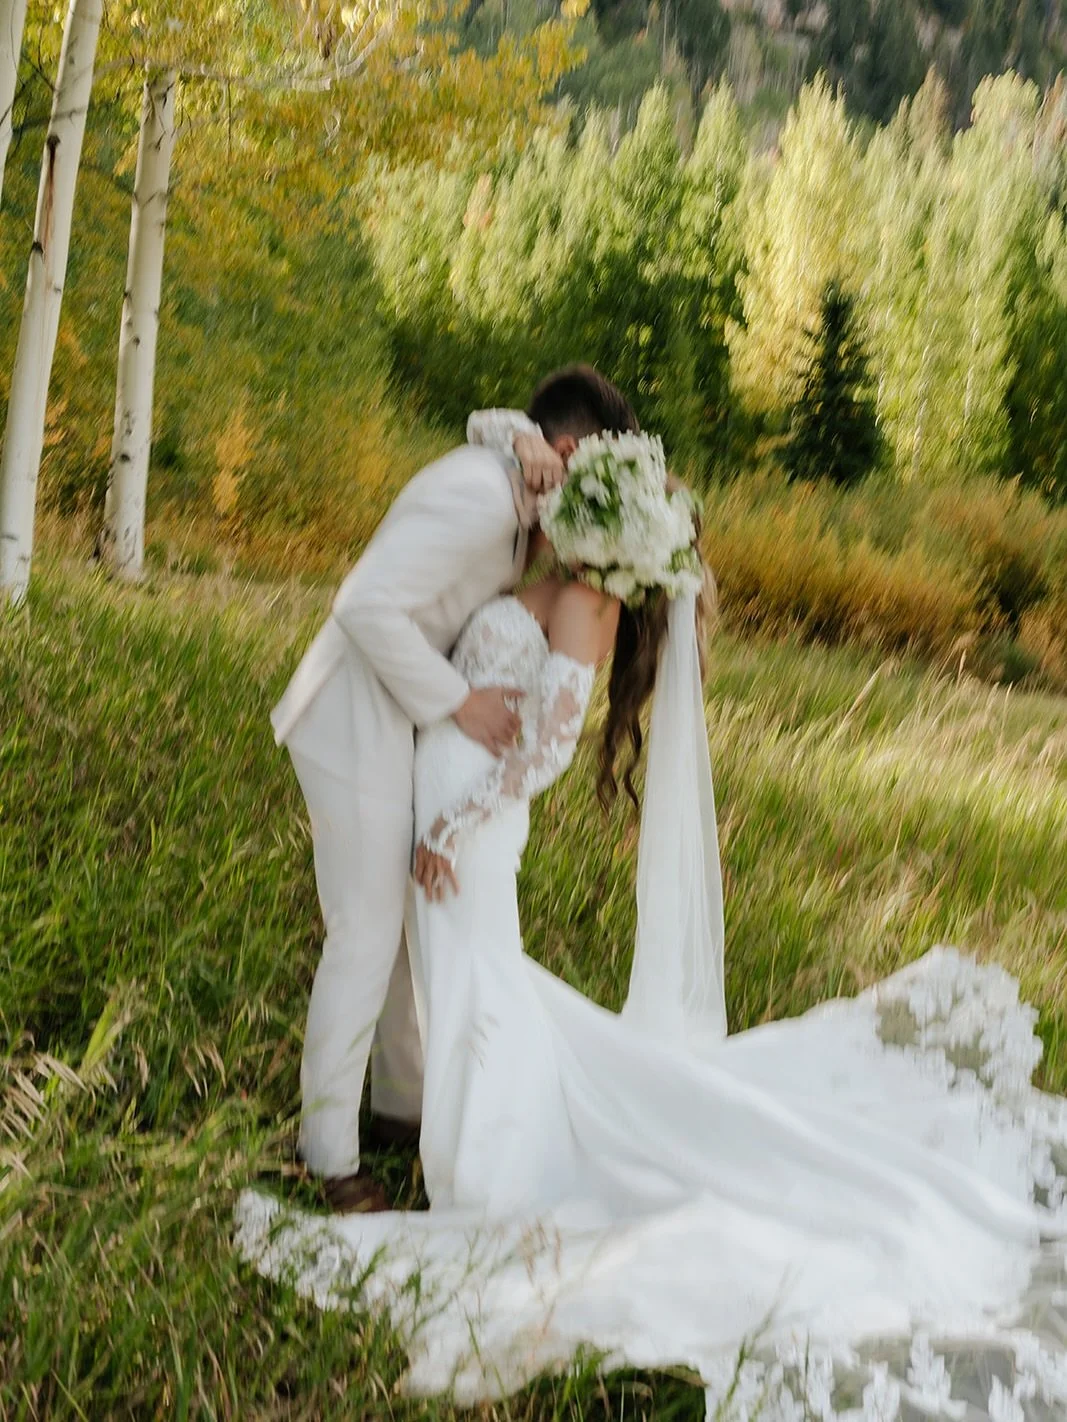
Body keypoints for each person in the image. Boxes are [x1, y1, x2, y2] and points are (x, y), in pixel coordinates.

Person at [240, 424, 1067, 1419]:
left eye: (597, 509)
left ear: (622, 546)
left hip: (468, 829)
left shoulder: (588, 605)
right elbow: (511, 451)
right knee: (455, 977)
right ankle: (419, 1112)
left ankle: (478, 1150)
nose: (569, 513)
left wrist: (455, 826)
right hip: (437, 805)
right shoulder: (542, 561)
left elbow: (543, 746)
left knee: (475, 977)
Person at [271, 367, 639, 1210]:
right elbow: (363, 604)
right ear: (568, 454)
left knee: (396, 929)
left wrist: (512, 434)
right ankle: (325, 1159)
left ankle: (401, 1104)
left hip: (392, 725)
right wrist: (457, 703)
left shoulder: (510, 478)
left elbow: (492, 428)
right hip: (351, 717)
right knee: (364, 932)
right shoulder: (482, 496)